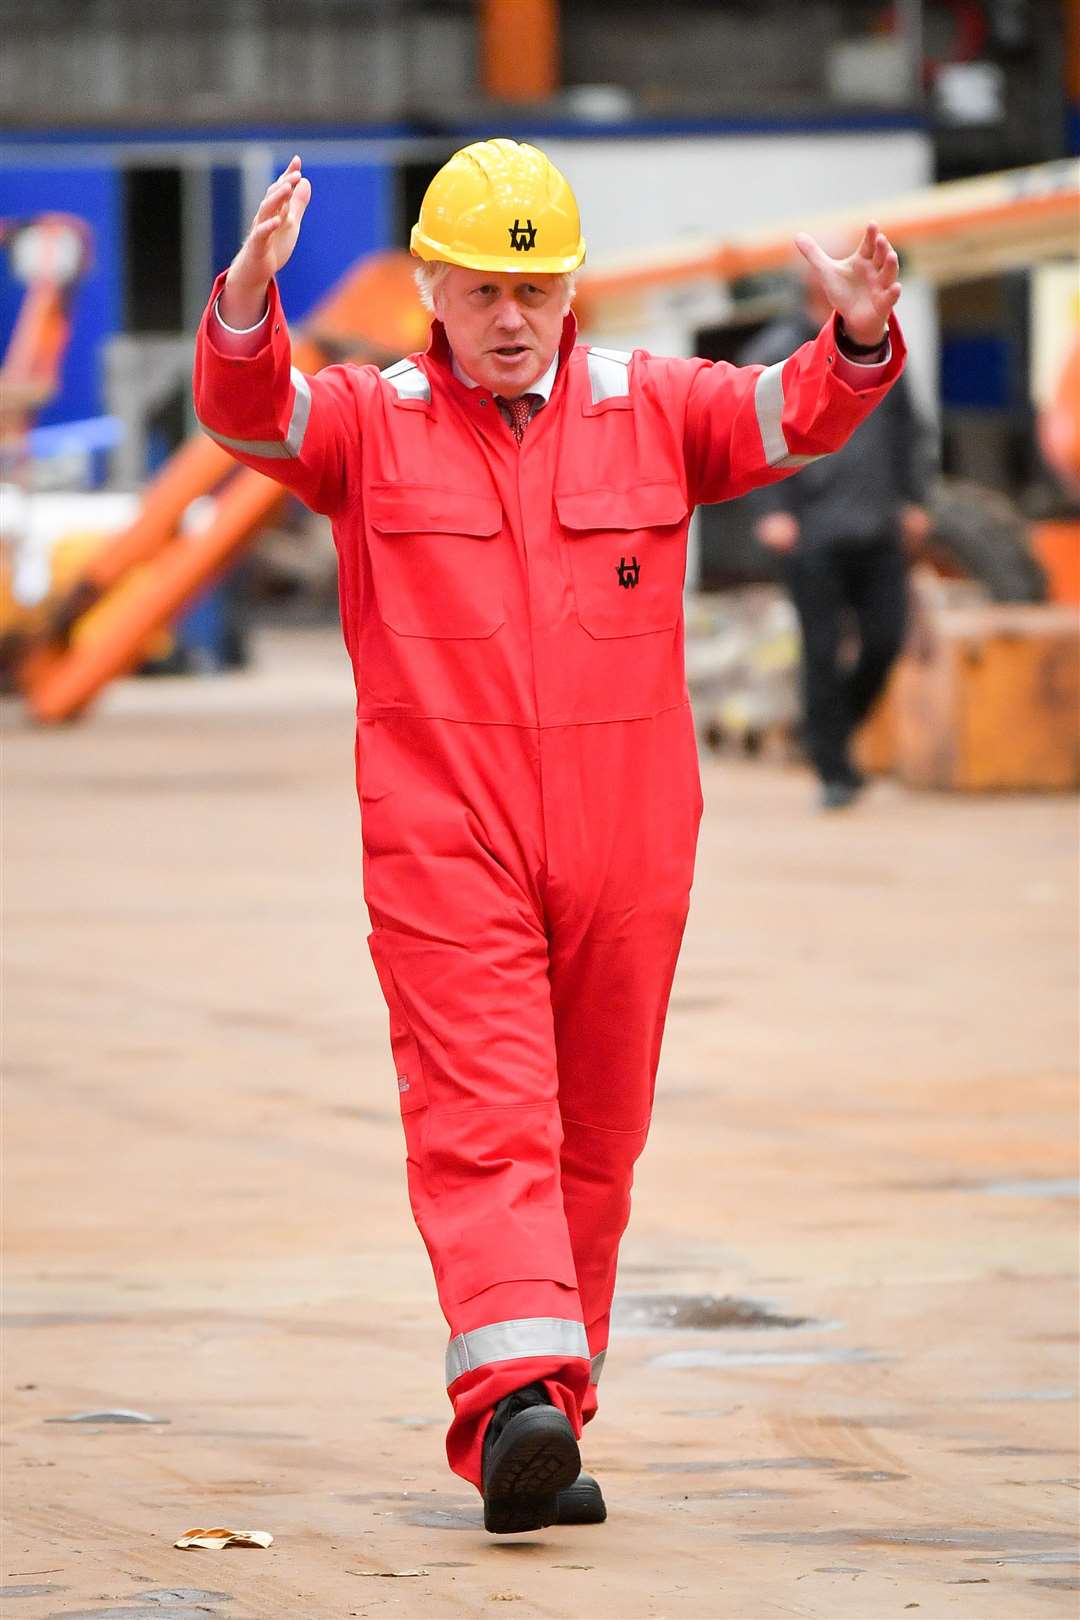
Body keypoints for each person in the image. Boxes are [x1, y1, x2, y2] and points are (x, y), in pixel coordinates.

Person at [193, 139, 906, 1533]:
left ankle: (542, 1424)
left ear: (573, 289)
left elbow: (788, 416)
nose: (509, 320)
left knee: (598, 1137)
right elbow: (251, 417)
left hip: (630, 837)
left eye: (535, 289)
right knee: (485, 1121)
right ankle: (517, 1384)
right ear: (428, 291)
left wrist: (863, 334)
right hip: (445, 834)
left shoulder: (657, 407)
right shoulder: (369, 422)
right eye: (478, 292)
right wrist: (241, 301)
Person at [740, 247, 934, 809]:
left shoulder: (881, 350)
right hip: (812, 529)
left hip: (877, 523)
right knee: (821, 650)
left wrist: (914, 498)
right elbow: (750, 431)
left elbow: (908, 430)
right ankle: (833, 770)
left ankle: (827, 735)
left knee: (885, 641)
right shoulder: (776, 353)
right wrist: (771, 511)